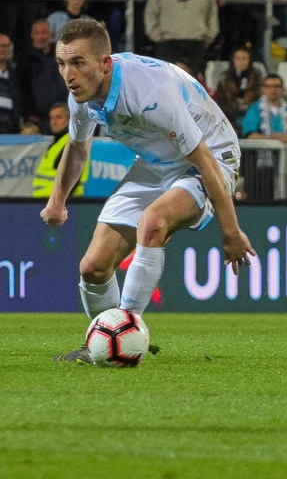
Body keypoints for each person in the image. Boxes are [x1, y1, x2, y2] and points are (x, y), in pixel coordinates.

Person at [40, 19, 255, 363]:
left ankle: (127, 335)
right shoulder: (80, 95)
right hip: (154, 162)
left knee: (153, 222)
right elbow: (77, 148)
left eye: (78, 62)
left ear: (105, 63)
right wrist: (57, 202)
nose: (69, 74)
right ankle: (106, 345)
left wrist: (231, 232)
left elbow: (205, 161)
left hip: (211, 157)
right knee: (93, 267)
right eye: (62, 64)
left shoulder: (150, 93)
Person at [144, 0, 219, 76]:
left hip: (196, 45)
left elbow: (212, 16)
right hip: (168, 45)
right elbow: (150, 15)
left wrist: (208, 37)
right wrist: (157, 37)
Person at [33, 102, 87, 198]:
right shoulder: (59, 143)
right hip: (49, 200)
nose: (54, 122)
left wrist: (58, 202)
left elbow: (71, 179)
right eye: (51, 118)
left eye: (58, 117)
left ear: (69, 120)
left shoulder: (72, 143)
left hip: (61, 202)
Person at [215, 47, 263, 131]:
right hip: (229, 113)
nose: (241, 62)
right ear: (232, 61)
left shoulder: (257, 78)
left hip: (251, 112)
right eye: (238, 58)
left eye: (244, 59)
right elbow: (221, 99)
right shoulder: (225, 78)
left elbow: (259, 97)